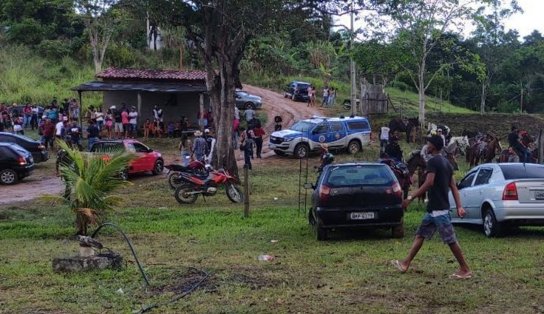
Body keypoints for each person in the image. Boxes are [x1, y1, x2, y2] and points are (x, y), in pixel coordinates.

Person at [391, 135, 471, 279]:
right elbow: (453, 187)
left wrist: (410, 197)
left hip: (439, 210)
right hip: (434, 209)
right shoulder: (447, 163)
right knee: (420, 235)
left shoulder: (433, 162)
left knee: (451, 240)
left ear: (433, 146)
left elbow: (429, 183)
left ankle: (465, 269)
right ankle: (405, 263)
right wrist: (459, 206)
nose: (427, 145)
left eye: (428, 143)